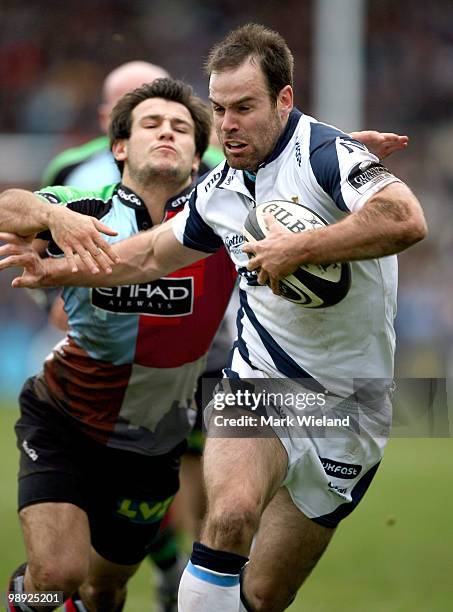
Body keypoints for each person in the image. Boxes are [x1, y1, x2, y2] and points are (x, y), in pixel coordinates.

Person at [0, 27, 424, 612]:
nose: (227, 124)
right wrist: (62, 266)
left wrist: (300, 247)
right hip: (250, 383)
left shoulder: (326, 156)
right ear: (116, 141)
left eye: (243, 108)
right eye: (220, 109)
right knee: (224, 521)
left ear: (283, 100)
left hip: (350, 399)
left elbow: (405, 218)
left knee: (263, 593)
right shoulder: (209, 192)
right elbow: (145, 254)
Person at [0, 78, 237, 612]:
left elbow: (297, 187)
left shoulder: (223, 216)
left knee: (106, 588)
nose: (166, 134)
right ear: (120, 146)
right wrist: (53, 217)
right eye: (151, 124)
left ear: (200, 154)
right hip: (65, 417)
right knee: (56, 577)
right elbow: (8, 206)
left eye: (181, 128)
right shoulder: (84, 206)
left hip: (154, 440)